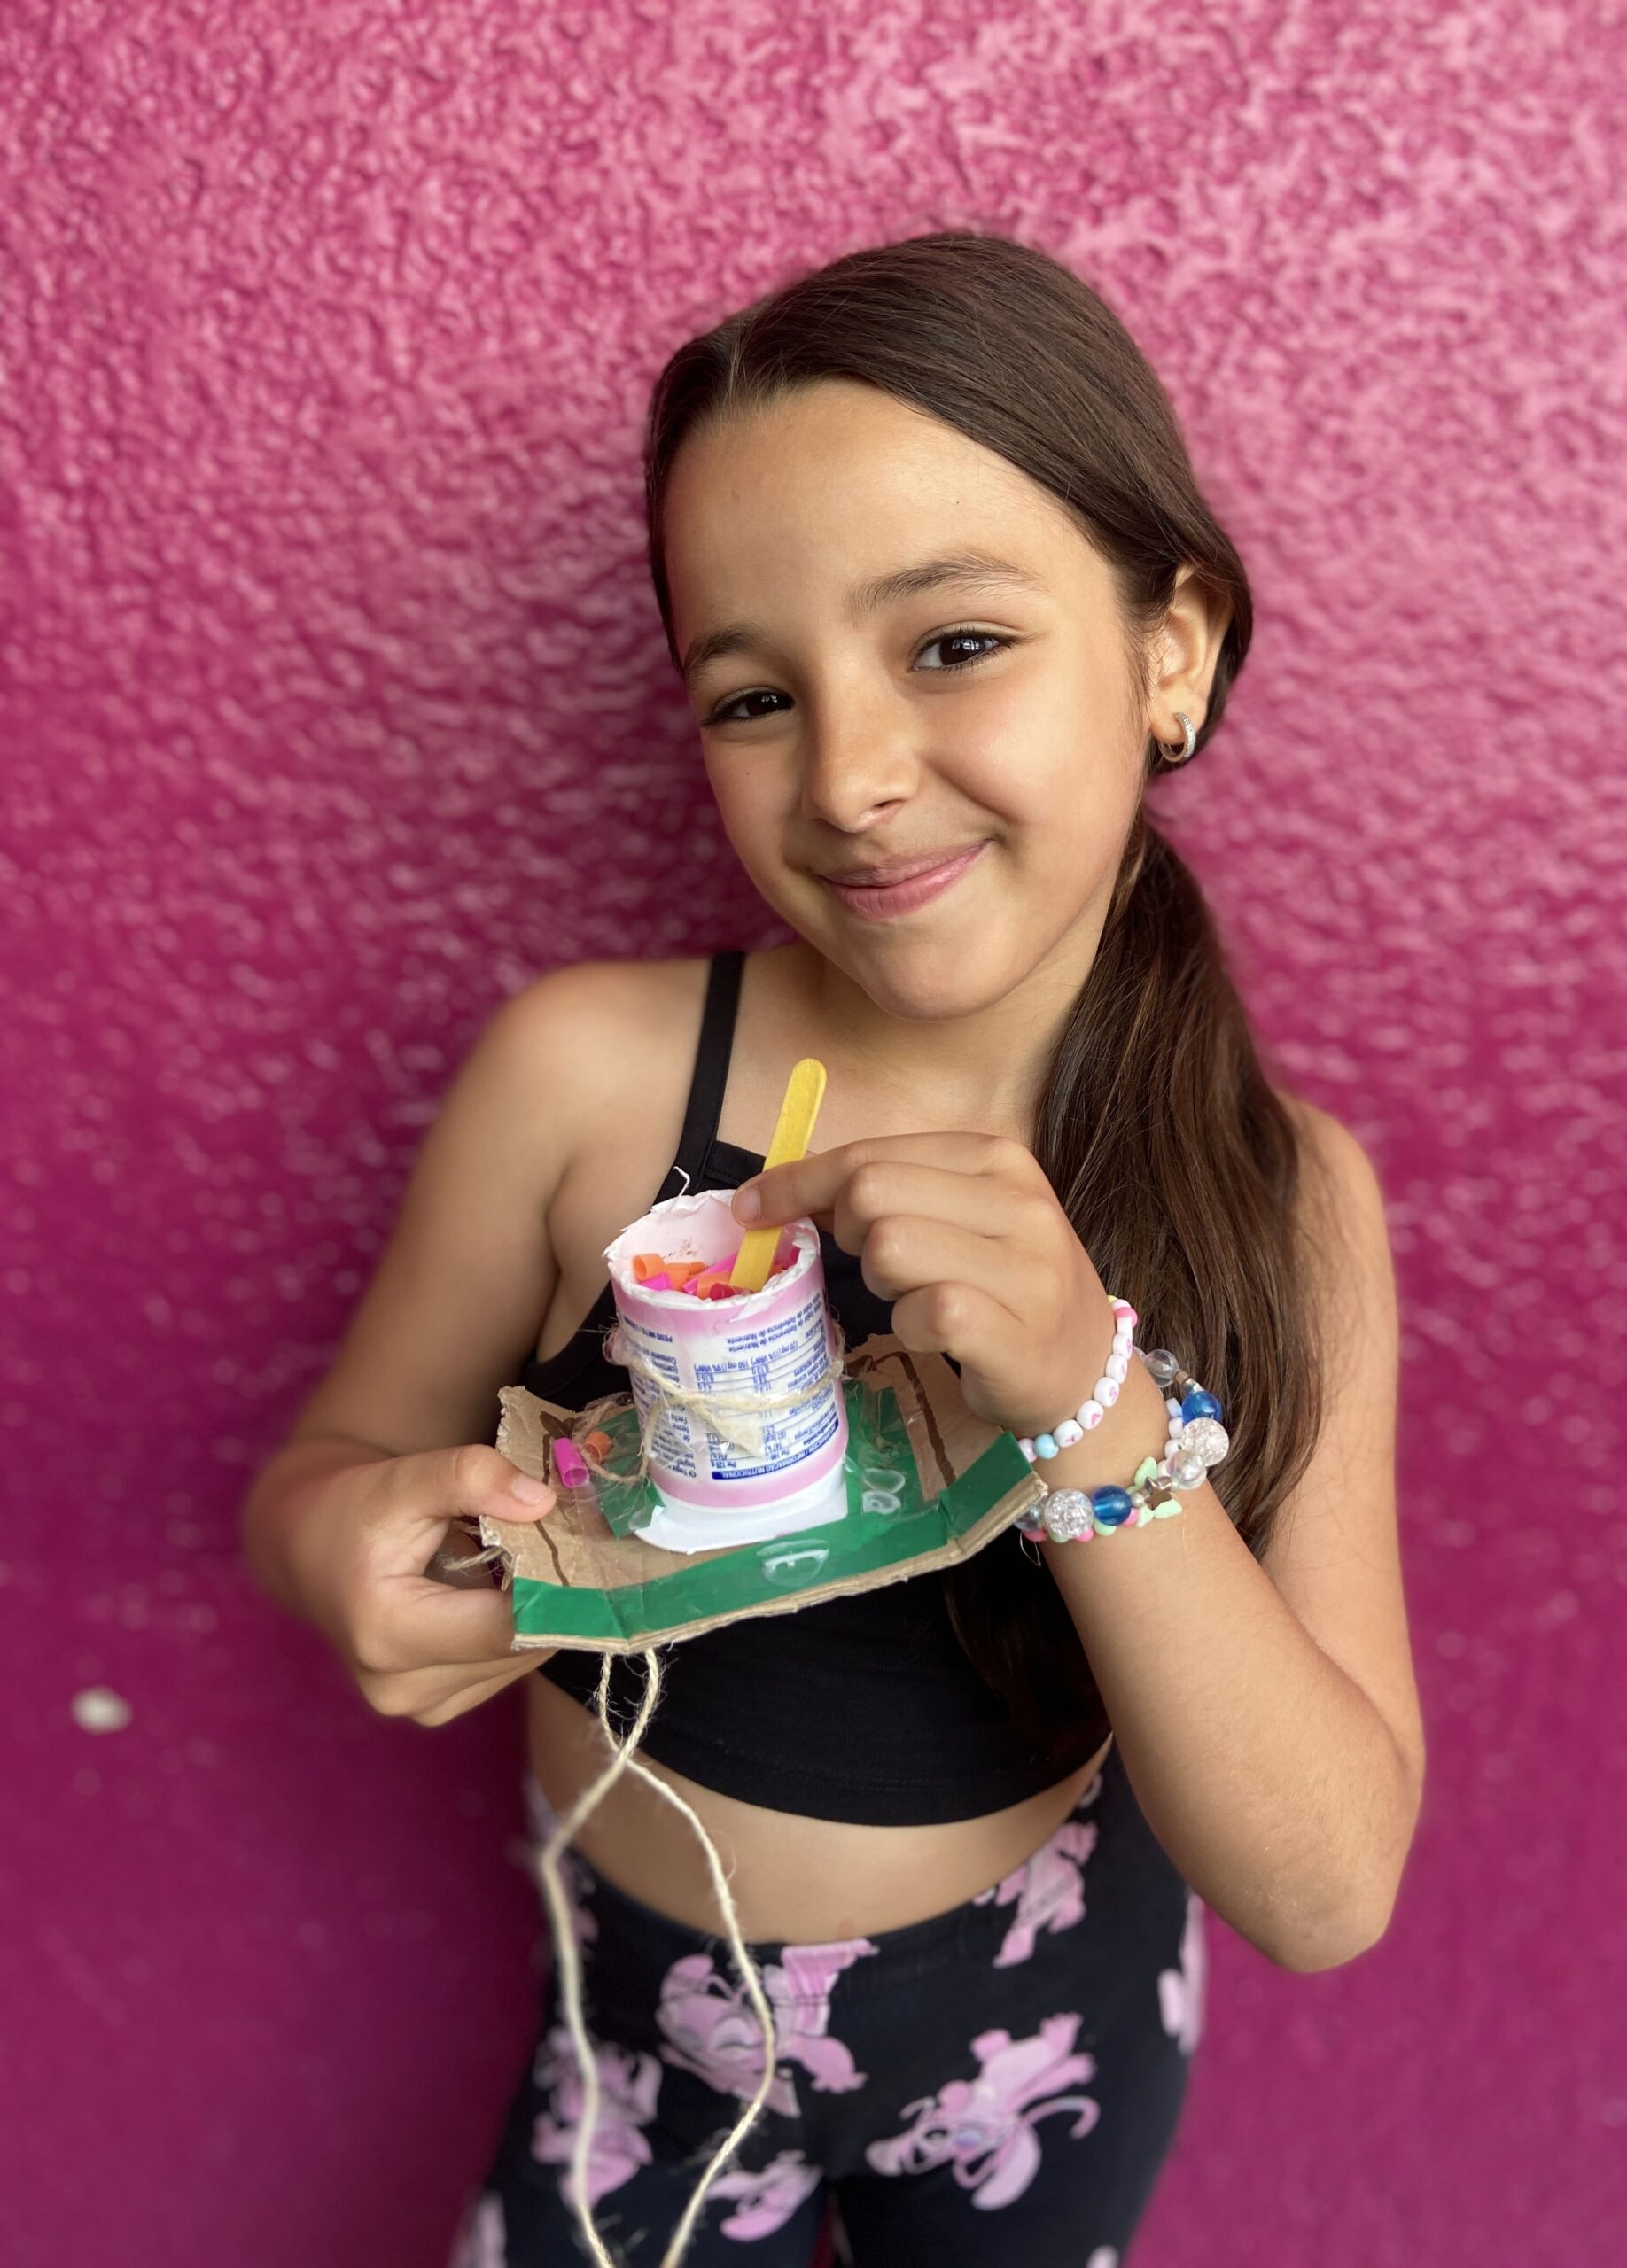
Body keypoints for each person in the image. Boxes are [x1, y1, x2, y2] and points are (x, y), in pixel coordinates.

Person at [241, 230, 1425, 2268]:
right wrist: (346, 1543)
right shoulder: (588, 1081)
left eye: (953, 641)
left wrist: (1088, 1400)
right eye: (756, 695)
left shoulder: (1281, 1192)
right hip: (640, 2035)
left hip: (1039, 2026)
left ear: (1171, 648)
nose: (855, 779)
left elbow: (1326, 1888)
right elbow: (317, 1479)